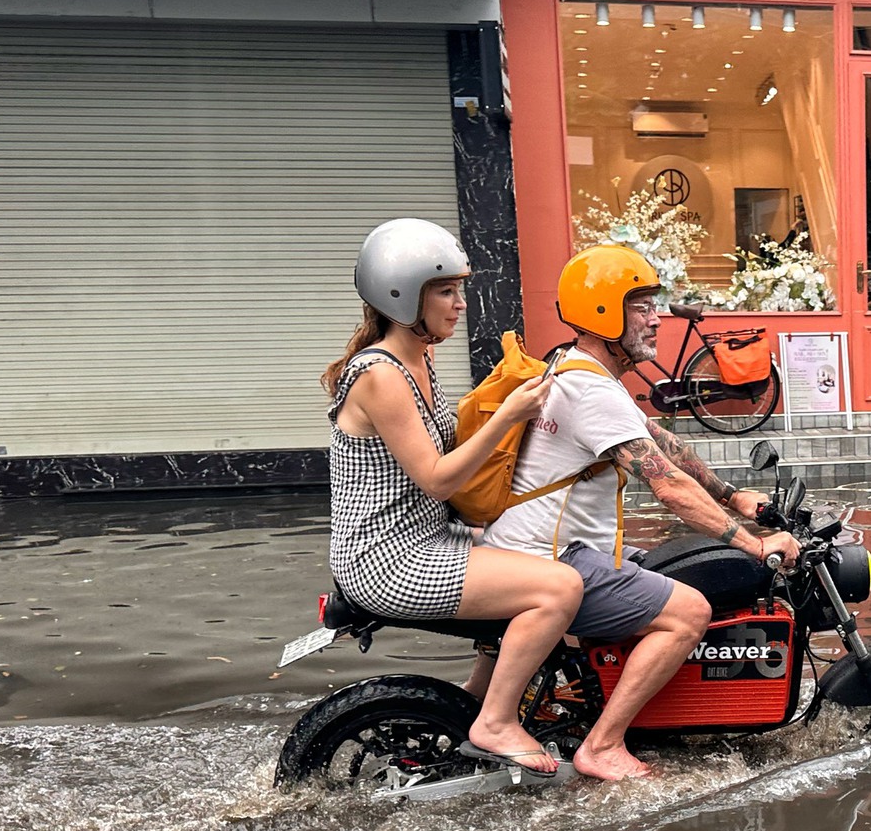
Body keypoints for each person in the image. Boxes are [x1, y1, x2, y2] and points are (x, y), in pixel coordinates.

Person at [480, 244, 801, 783]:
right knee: (690, 611)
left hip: (536, 549)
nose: (657, 318)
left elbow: (661, 442)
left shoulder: (575, 366)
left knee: (662, 566)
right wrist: (752, 541)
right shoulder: (590, 390)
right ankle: (603, 745)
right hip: (554, 559)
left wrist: (734, 498)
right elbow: (668, 487)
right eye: (641, 305)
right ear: (603, 310)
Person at [322, 218, 587, 785]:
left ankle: (471, 705)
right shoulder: (380, 374)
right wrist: (511, 414)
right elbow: (437, 478)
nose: (460, 303)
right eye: (445, 291)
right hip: (386, 556)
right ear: (401, 294)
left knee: (540, 548)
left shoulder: (420, 358)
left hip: (426, 537)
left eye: (460, 289)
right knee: (559, 588)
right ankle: (494, 722)